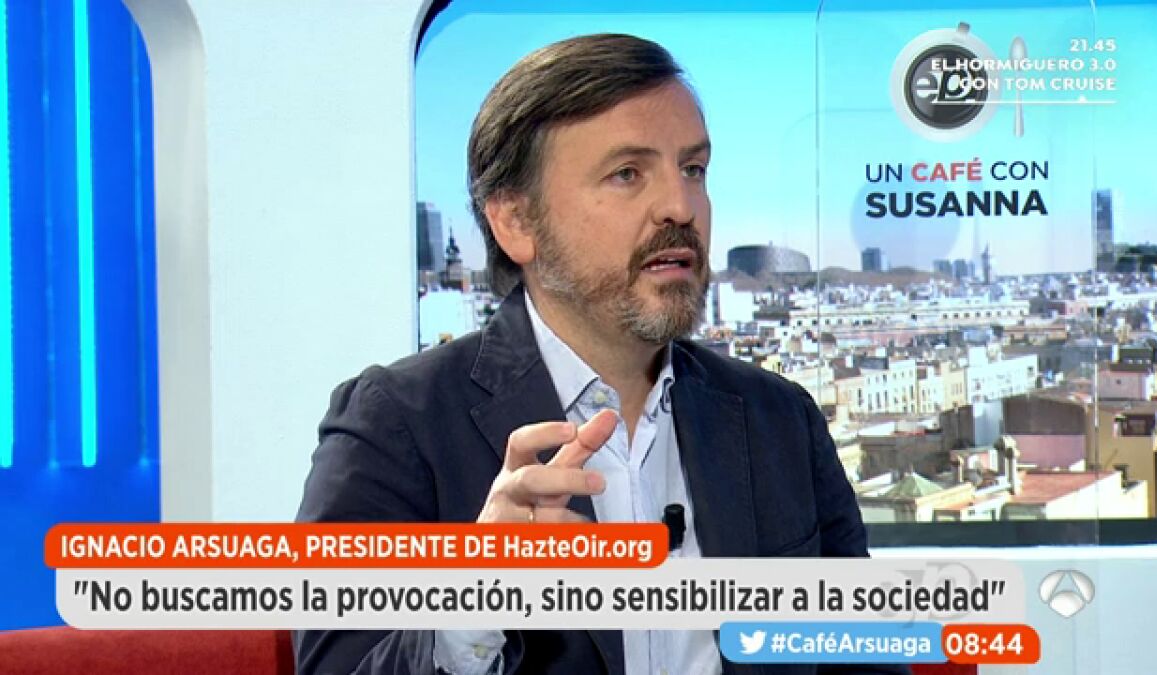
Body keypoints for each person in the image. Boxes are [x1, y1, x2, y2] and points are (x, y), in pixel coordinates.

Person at [295, 33, 908, 675]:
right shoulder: (396, 423)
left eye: (693, 170)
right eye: (627, 174)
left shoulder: (779, 418)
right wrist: (474, 601)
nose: (679, 207)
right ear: (516, 223)